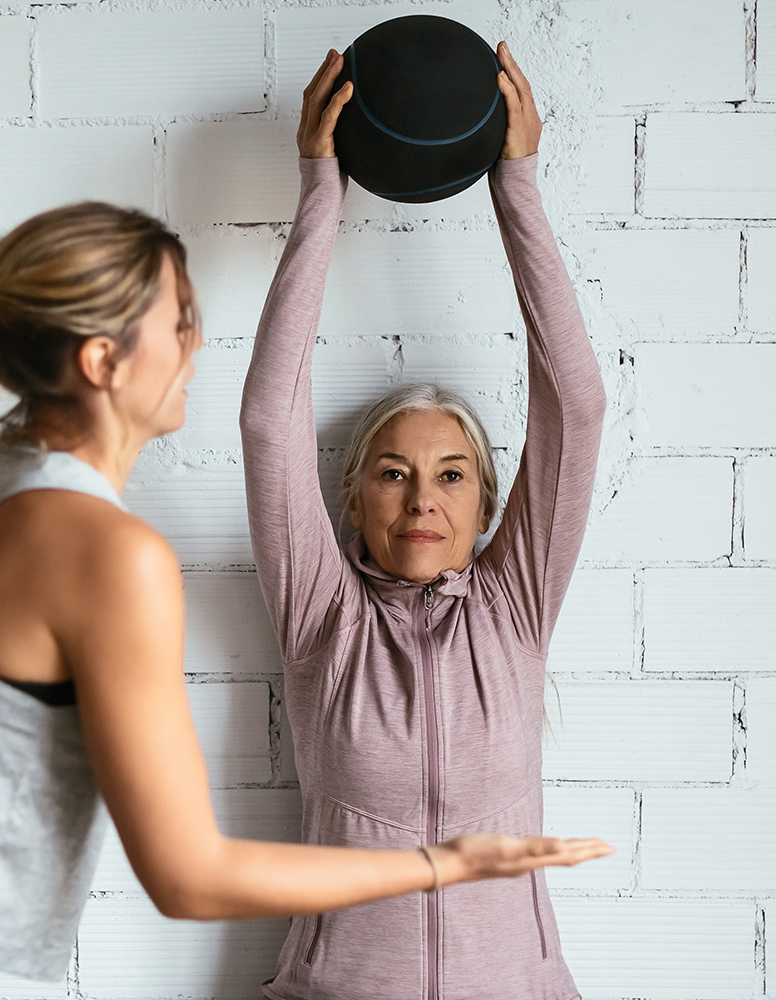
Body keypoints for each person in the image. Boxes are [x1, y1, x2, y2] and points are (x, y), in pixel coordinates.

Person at [0, 194, 611, 1000]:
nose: (197, 341)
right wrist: (443, 864)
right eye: (180, 319)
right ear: (104, 362)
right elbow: (186, 874)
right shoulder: (110, 553)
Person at [241, 42, 608, 1000]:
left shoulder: (515, 609)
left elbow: (577, 408)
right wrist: (321, 192)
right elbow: (267, 421)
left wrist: (516, 188)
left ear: (486, 506)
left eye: (451, 475)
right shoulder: (325, 622)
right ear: (353, 501)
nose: (422, 499)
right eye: (393, 474)